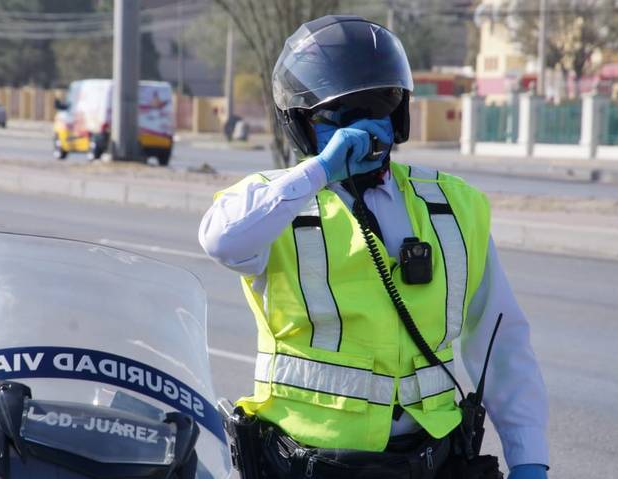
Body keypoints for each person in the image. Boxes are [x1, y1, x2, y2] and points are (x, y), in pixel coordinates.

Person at [200, 15, 548, 479]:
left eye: (380, 104)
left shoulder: (454, 204)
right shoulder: (276, 201)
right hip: (310, 463)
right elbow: (222, 241)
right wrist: (321, 171)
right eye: (338, 114)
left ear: (400, 114)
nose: (363, 127)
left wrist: (528, 457)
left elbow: (502, 343)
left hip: (434, 459)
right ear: (300, 124)